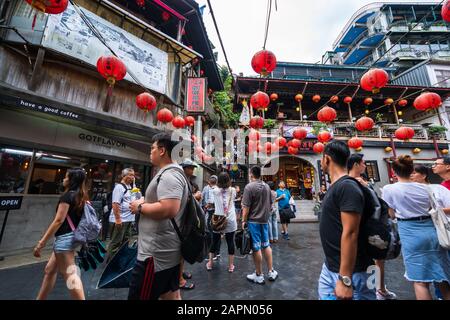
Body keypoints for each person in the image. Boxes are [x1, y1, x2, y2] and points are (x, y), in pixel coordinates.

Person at [128, 133, 189, 300]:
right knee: (171, 296)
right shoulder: (171, 173)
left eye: (152, 148)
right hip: (164, 253)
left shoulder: (170, 175)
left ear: (162, 150)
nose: (151, 151)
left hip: (154, 257)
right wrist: (145, 201)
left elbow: (168, 208)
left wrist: (139, 206)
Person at [382, 155, 450, 300]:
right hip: (433, 231)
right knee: (443, 277)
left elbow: (391, 214)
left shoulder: (389, 189)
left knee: (420, 282)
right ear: (411, 169)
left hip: (410, 233)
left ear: (394, 171)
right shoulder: (427, 189)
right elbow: (434, 208)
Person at [318, 141, 375, 300]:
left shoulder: (347, 187)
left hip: (354, 272)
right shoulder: (337, 186)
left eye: (322, 158)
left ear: (327, 159)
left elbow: (351, 233)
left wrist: (345, 279)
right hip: (331, 266)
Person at [347, 153, 397, 300]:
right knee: (368, 261)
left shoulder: (362, 181)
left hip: (371, 227)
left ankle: (379, 288)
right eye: (363, 163)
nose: (365, 165)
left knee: (377, 259)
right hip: (364, 228)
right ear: (356, 164)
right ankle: (374, 289)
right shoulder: (351, 183)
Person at [33, 168, 88, 300]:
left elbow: (58, 220)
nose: (63, 179)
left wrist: (41, 243)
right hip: (71, 238)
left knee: (70, 274)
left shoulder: (67, 196)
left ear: (71, 180)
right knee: (49, 270)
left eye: (66, 177)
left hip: (64, 239)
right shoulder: (80, 196)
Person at [411, 164, 450, 300]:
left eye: (414, 173)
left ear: (423, 175)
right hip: (423, 235)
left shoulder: (438, 189)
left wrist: (434, 212)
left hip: (442, 232)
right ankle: (440, 295)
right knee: (432, 269)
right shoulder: (408, 191)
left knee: (445, 266)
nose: (411, 176)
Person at [241, 166, 278, 284]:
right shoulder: (267, 186)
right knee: (266, 245)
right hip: (264, 221)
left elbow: (245, 208)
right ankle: (271, 271)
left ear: (251, 174)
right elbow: (270, 204)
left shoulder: (249, 187)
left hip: (253, 221)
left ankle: (259, 274)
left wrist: (243, 220)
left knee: (256, 248)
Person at [206, 172, 237, 272]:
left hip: (218, 220)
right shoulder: (233, 190)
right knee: (230, 242)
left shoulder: (215, 190)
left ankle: (210, 263)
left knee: (214, 241)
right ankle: (231, 266)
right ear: (229, 180)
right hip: (230, 219)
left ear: (218, 180)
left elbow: (211, 202)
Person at [177, 159, 199, 291]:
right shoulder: (180, 180)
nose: (193, 170)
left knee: (182, 251)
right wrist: (195, 197)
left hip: (185, 221)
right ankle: (179, 280)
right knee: (179, 251)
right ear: (184, 168)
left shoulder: (187, 181)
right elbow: (181, 199)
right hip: (179, 222)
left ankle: (180, 272)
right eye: (190, 167)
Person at [106, 168, 135, 263]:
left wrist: (134, 184)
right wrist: (118, 219)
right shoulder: (119, 187)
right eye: (130, 175)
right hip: (120, 220)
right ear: (123, 176)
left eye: (133, 175)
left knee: (125, 242)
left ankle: (119, 261)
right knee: (116, 242)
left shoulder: (130, 187)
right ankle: (111, 263)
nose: (132, 177)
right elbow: (115, 204)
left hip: (128, 219)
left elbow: (137, 196)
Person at [205, 175, 221, 260]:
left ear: (210, 183)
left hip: (212, 212)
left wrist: (206, 206)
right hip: (218, 212)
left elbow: (211, 201)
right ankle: (217, 252)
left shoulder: (212, 190)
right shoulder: (219, 189)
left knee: (212, 233)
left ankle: (213, 253)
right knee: (217, 232)